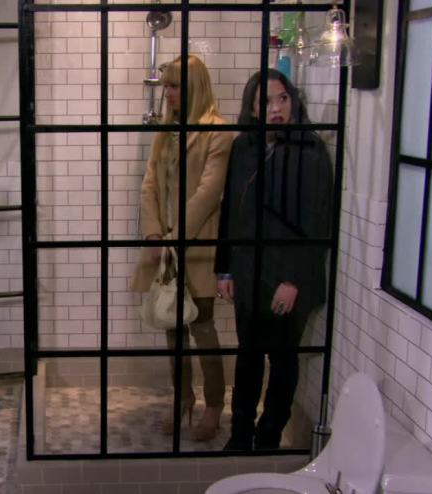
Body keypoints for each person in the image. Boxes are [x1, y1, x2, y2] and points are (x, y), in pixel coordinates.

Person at [216, 69, 333, 450]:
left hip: (289, 274)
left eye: (282, 98)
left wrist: (293, 279)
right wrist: (224, 267)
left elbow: (317, 220)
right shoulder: (244, 147)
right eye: (265, 101)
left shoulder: (310, 151)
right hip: (249, 269)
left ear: (293, 100)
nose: (276, 108)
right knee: (248, 355)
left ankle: (268, 437)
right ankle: (239, 435)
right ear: (252, 108)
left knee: (282, 359)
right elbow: (230, 210)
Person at [132, 55, 233, 441]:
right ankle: (182, 399)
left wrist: (173, 238)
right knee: (172, 329)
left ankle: (214, 405)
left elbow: (209, 193)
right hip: (166, 248)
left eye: (175, 86)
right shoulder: (166, 130)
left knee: (203, 328)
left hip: (197, 246)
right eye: (167, 87)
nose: (168, 94)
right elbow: (149, 185)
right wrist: (154, 234)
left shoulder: (217, 132)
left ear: (195, 87)